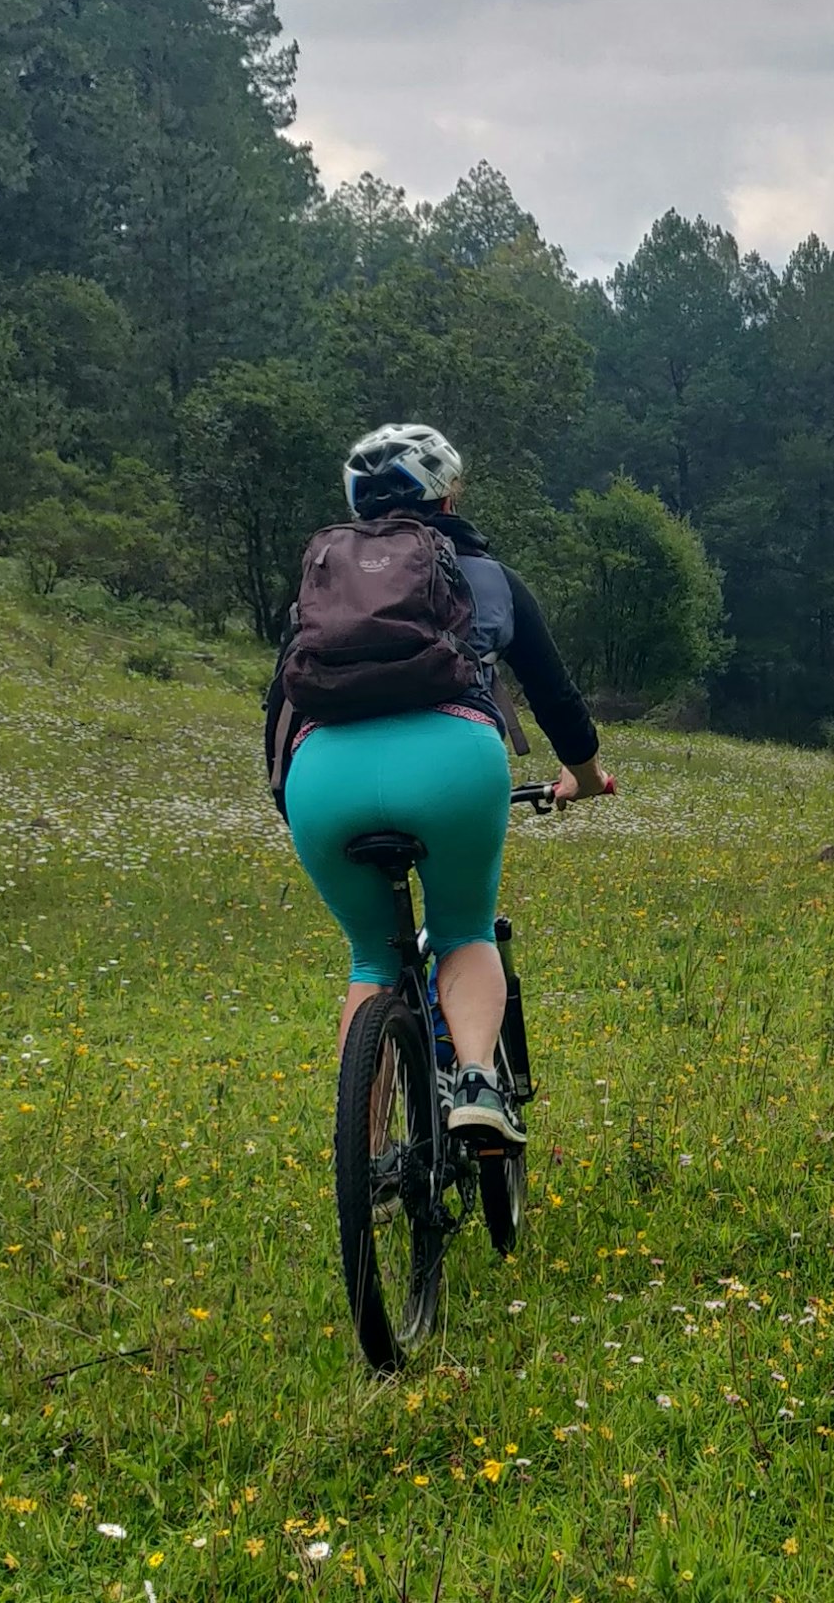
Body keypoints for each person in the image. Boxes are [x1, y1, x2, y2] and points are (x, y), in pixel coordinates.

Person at [266, 424, 610, 1151]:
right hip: (453, 761)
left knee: (372, 957)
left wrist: (291, 803)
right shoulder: (487, 576)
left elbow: (282, 706)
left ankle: (363, 1148)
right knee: (461, 931)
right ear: (449, 494)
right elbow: (557, 702)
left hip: (320, 776)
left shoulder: (324, 581)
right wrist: (583, 778)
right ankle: (479, 1080)